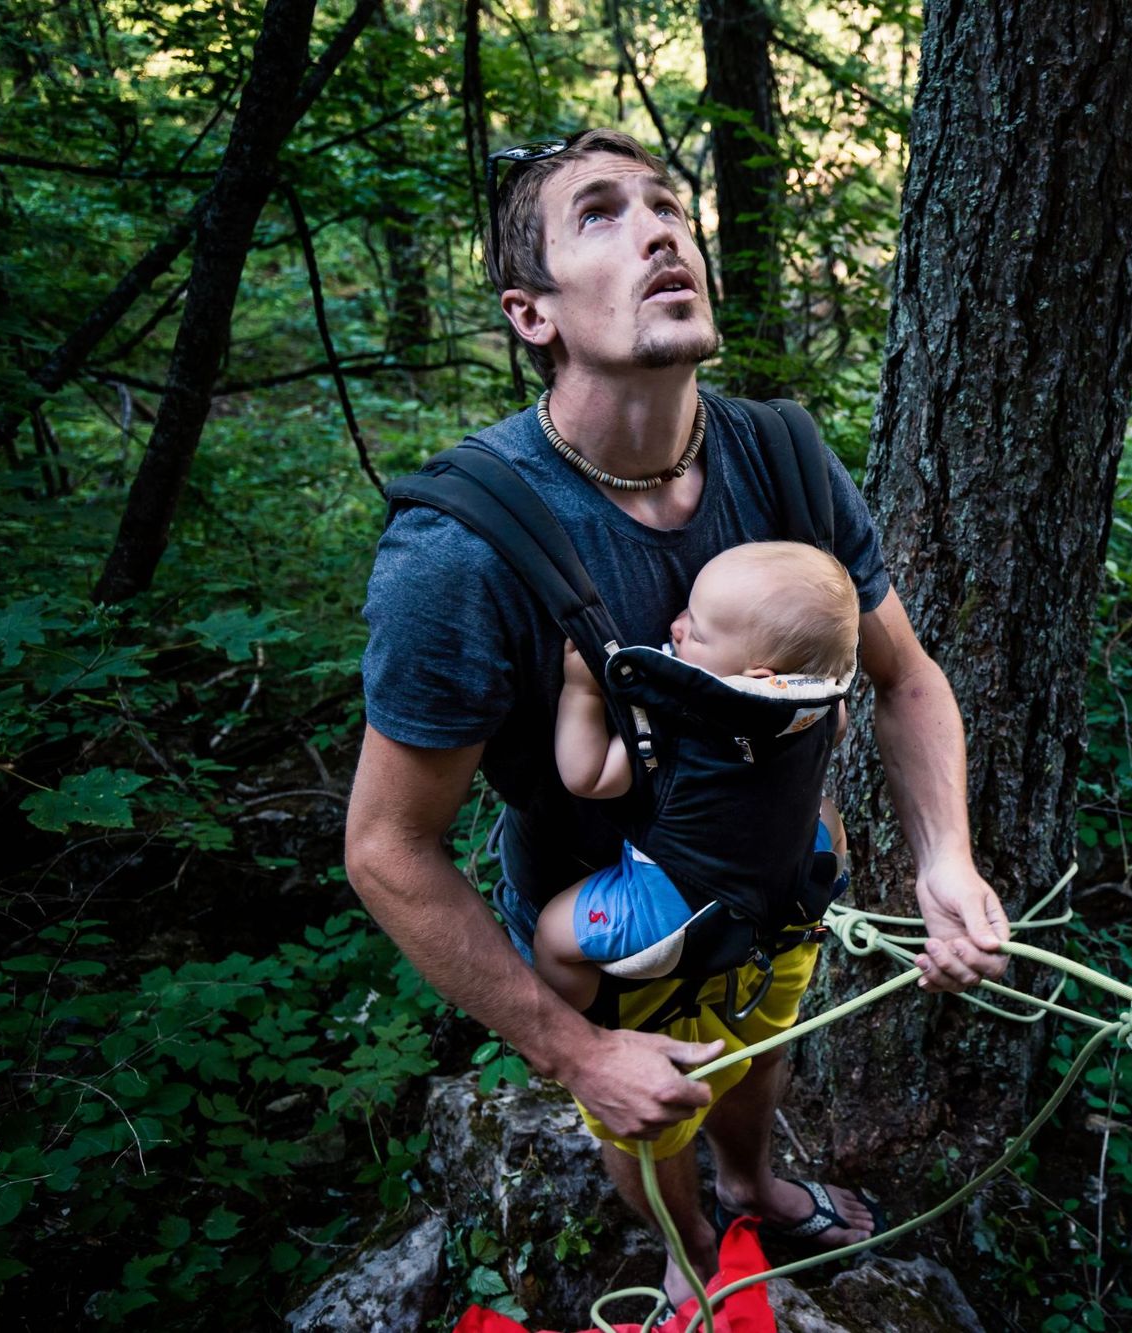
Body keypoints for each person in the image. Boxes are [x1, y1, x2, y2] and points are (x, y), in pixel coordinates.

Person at [342, 128, 1009, 1313]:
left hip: (778, 878)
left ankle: (754, 1182)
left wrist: (943, 858)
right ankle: (687, 1242)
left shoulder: (783, 459)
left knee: (754, 1043)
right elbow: (388, 849)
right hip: (612, 926)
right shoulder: (461, 546)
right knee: (651, 1099)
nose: (660, 229)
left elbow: (904, 677)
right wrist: (579, 1054)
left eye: (667, 204)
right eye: (599, 214)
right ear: (530, 313)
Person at [534, 540, 856, 1014]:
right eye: (687, 609)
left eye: (697, 634)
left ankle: (580, 1032)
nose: (676, 626)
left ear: (758, 673)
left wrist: (582, 691)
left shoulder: (681, 722)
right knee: (824, 812)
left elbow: (589, 777)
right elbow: (839, 730)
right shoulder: (826, 702)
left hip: (684, 910)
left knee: (552, 936)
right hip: (797, 878)